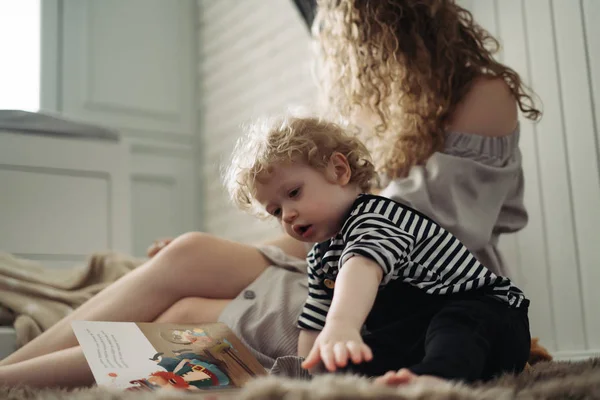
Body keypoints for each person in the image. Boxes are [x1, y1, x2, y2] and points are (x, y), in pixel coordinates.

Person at [0, 0, 541, 388]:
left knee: (187, 294)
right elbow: (327, 232)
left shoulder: (478, 93)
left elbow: (393, 232)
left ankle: (12, 375)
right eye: (277, 208)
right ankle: (16, 375)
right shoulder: (386, 123)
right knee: (186, 295)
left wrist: (326, 322)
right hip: (353, 276)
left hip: (413, 289)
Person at [224, 115, 530, 383]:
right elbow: (315, 324)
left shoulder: (376, 216)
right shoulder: (319, 255)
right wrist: (311, 374)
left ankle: (435, 380)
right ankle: (405, 379)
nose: (288, 215)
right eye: (276, 211)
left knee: (457, 322)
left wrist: (342, 325)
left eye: (294, 193)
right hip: (418, 334)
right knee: (348, 361)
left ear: (339, 171)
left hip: (491, 316)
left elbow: (363, 266)